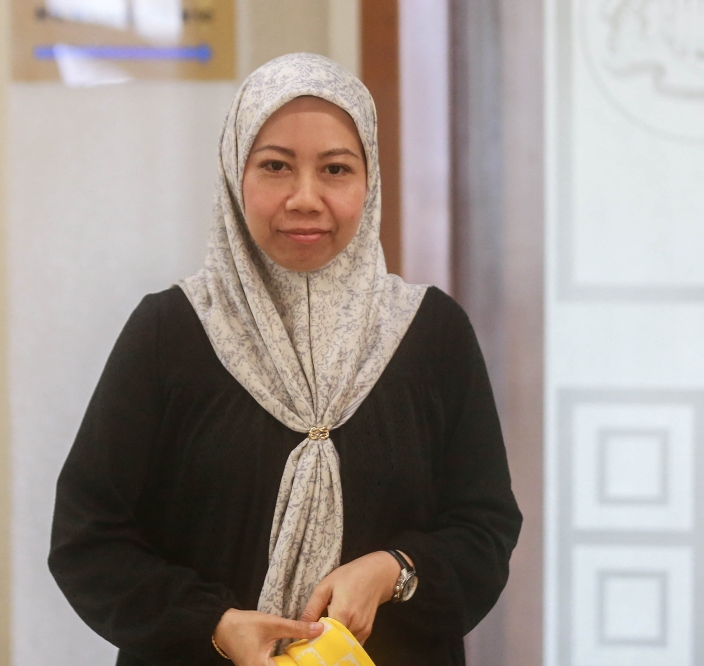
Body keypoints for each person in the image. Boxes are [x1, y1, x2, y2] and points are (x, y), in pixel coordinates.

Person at [49, 53, 522, 666]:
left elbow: (484, 530)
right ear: (233, 173)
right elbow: (89, 541)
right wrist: (214, 626)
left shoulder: (431, 334)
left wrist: (393, 571)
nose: (305, 198)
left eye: (335, 169)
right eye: (275, 166)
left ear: (369, 180)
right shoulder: (171, 331)